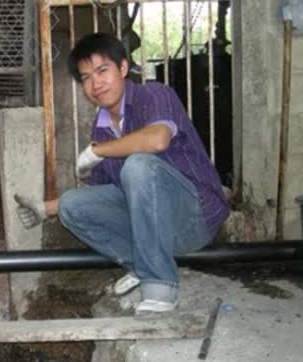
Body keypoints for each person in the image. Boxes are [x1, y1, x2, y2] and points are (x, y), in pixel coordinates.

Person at [15, 33, 229, 314]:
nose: (96, 84)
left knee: (138, 165)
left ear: (124, 68)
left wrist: (98, 152)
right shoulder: (102, 128)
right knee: (72, 206)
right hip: (155, 232)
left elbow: (157, 140)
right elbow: (106, 195)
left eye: (102, 70)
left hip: (195, 218)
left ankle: (160, 286)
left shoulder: (154, 94)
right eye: (86, 77)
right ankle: (142, 264)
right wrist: (45, 208)